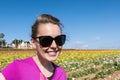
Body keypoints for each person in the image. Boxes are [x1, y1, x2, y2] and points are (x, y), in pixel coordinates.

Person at [0, 14, 67, 80]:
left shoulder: (61, 73)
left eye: (59, 39)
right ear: (33, 42)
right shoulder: (17, 67)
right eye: (46, 40)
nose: (54, 46)